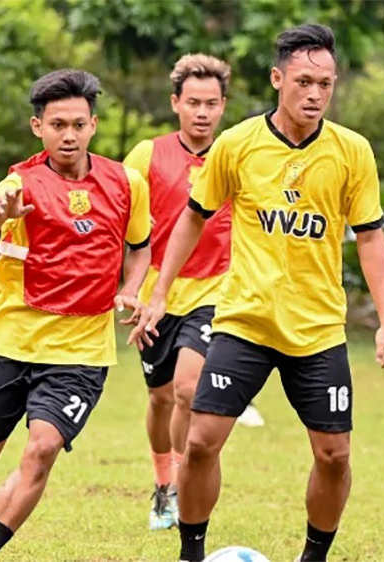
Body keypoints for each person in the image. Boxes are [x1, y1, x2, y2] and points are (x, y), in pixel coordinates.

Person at [131, 24, 384, 562]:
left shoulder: (352, 151)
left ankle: (313, 557)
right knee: (201, 442)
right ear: (278, 79)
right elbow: (193, 217)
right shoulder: (237, 144)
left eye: (325, 84)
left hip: (317, 328)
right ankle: (191, 553)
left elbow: (371, 236)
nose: (315, 94)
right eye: (304, 81)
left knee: (334, 455)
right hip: (245, 321)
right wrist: (158, 292)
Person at [0, 69, 152, 562]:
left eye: (78, 124)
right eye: (57, 125)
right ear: (37, 126)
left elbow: (141, 246)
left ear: (93, 125)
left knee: (42, 449)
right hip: (15, 342)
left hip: (82, 351)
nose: (69, 135)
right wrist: (1, 216)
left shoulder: (127, 182)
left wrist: (131, 289)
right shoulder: (17, 183)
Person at [123, 53, 263, 532]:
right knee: (161, 398)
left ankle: (184, 481)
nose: (202, 113)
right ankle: (163, 482)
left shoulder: (239, 156)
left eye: (211, 103)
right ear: (175, 103)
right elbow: (120, 220)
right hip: (156, 294)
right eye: (193, 103)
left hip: (217, 291)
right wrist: (129, 288)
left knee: (187, 388)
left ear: (224, 106)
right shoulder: (147, 155)